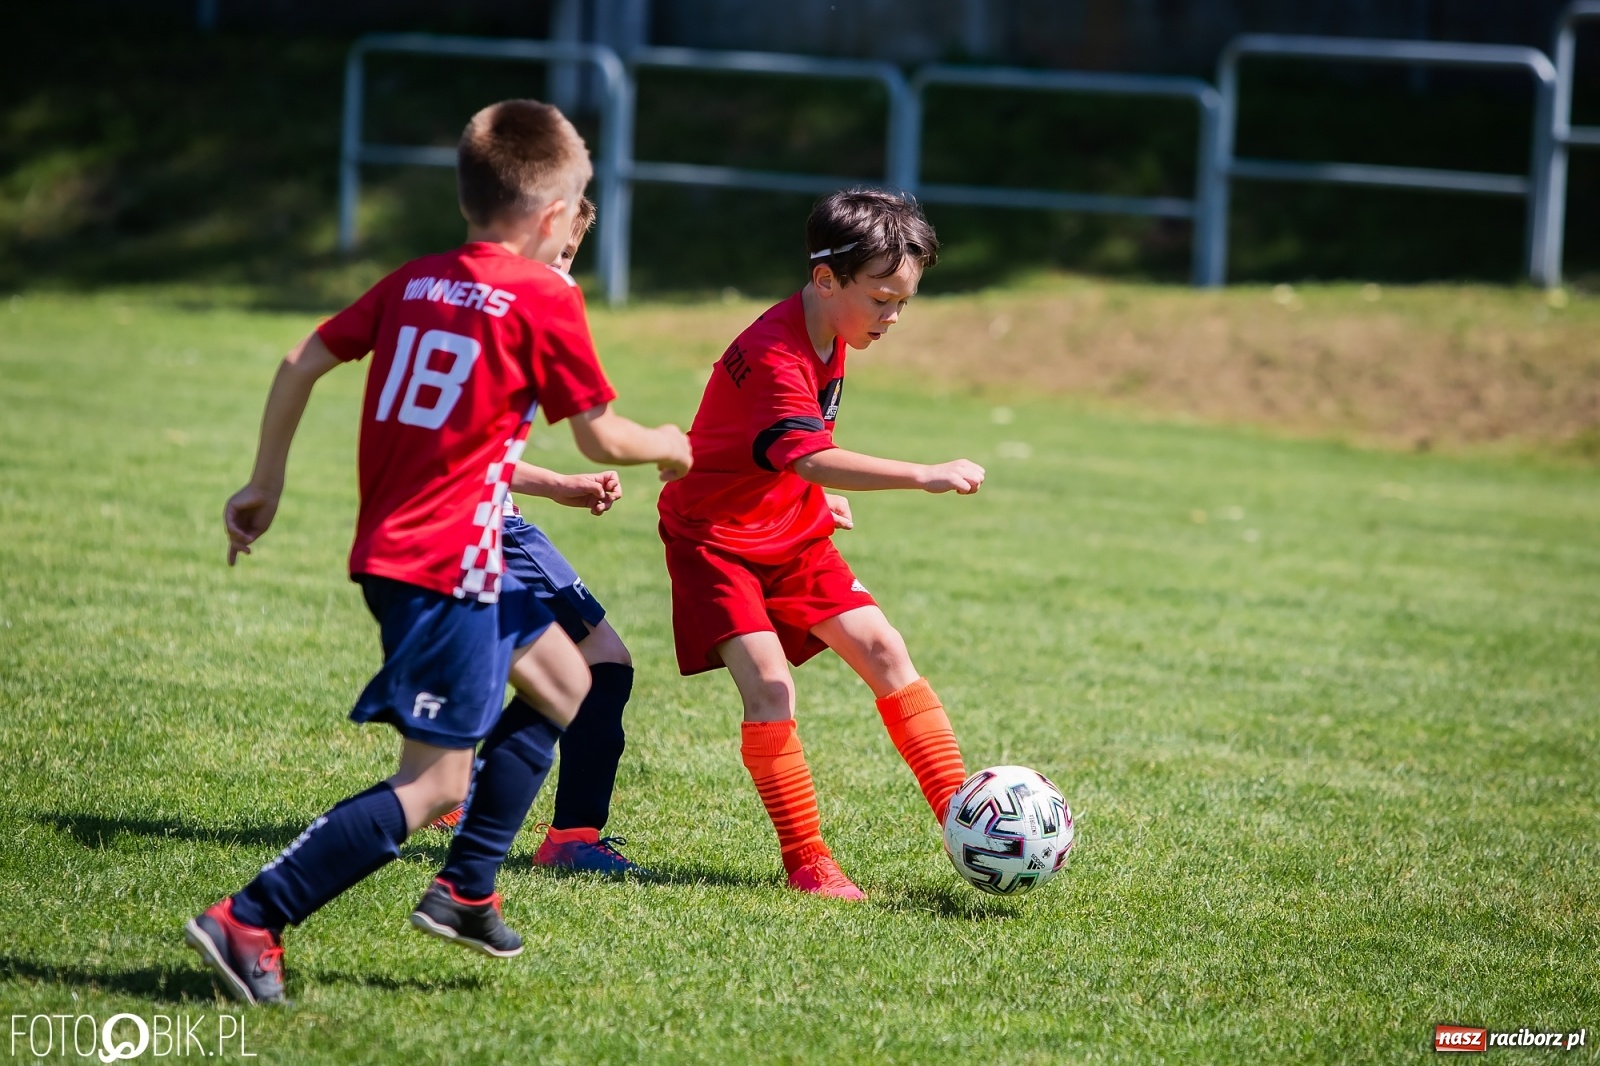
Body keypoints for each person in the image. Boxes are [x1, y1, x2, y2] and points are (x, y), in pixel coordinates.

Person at [185, 99, 689, 1006]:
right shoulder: (542, 297)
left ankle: (465, 890)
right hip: (442, 564)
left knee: (569, 687)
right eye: (574, 214)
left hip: (432, 550)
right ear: (552, 217)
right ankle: (252, 916)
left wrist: (265, 483)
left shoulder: (418, 278)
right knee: (432, 781)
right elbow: (603, 439)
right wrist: (671, 444)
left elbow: (303, 357)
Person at [657, 187, 984, 900]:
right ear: (827, 278)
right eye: (882, 299)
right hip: (715, 538)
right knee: (771, 684)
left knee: (886, 649)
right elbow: (803, 452)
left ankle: (971, 821)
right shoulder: (775, 352)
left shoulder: (834, 325)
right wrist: (922, 474)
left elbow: (791, 446)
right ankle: (807, 861)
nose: (893, 317)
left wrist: (813, 487)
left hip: (787, 519)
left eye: (904, 301)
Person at [430, 198, 661, 876]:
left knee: (568, 668)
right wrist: (669, 449)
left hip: (473, 518)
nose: (563, 271)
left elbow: (475, 446)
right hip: (482, 525)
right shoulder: (522, 311)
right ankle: (565, 836)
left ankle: (461, 780)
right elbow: (601, 430)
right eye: (556, 254)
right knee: (602, 664)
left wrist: (560, 485)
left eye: (570, 258)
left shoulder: (455, 298)